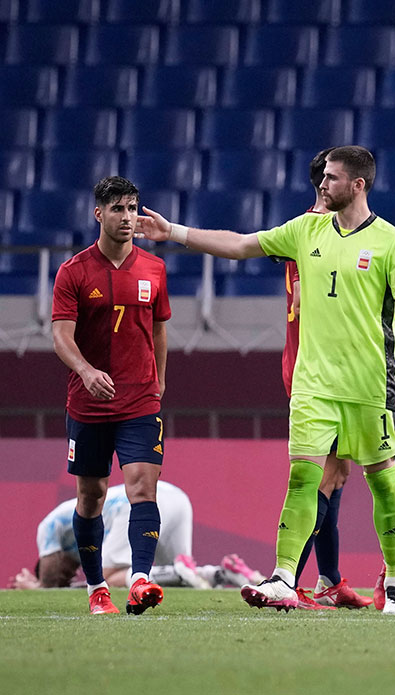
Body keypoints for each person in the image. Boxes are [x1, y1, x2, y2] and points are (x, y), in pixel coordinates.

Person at [136, 146, 395, 615]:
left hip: (369, 386)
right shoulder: (305, 230)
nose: (322, 183)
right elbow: (240, 245)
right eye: (323, 176)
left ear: (358, 185)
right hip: (313, 385)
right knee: (303, 477)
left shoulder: (390, 241)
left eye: (333, 178)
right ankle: (283, 576)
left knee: (382, 482)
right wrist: (173, 232)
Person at [51, 176, 170, 615]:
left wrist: (158, 380)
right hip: (89, 403)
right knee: (92, 496)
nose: (128, 217)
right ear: (98, 213)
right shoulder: (74, 271)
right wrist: (84, 371)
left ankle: (140, 579)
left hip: (140, 401)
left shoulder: (154, 269)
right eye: (118, 209)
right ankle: (97, 588)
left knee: (142, 487)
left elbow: (159, 328)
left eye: (133, 208)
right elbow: (60, 336)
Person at [283, 149, 372, 611]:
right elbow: (304, 292)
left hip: (338, 368)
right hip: (316, 367)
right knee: (324, 477)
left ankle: (330, 579)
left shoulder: (338, 230)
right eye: (329, 176)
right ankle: (289, 584)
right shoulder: (312, 232)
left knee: (337, 478)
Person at [8, 481, 265, 591]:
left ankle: (178, 571)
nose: (69, 574)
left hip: (132, 506)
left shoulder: (47, 529)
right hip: (174, 497)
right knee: (186, 576)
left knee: (108, 577)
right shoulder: (70, 543)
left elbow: (52, 579)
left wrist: (38, 586)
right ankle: (227, 571)